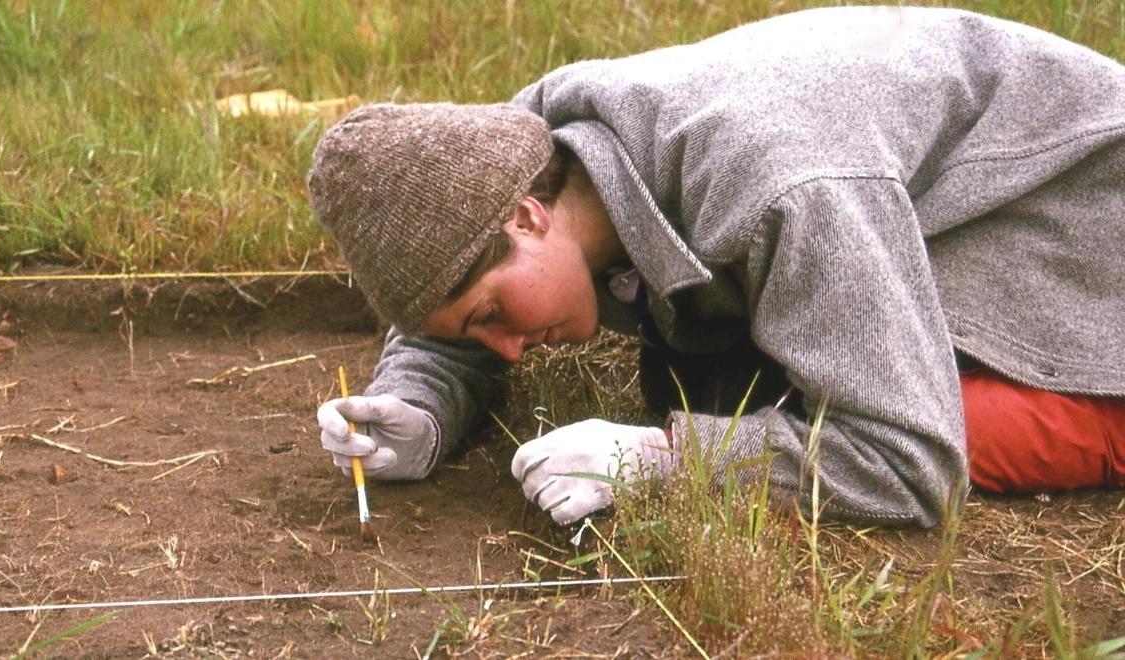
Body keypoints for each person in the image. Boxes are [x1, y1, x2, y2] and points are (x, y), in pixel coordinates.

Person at [306, 6, 1125, 528]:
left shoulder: (782, 188)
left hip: (1082, 230)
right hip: (910, 187)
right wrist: (420, 400)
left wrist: (669, 463)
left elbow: (913, 466)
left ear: (527, 217)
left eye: (491, 316)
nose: (509, 349)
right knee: (728, 389)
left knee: (930, 426)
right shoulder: (520, 150)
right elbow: (454, 295)